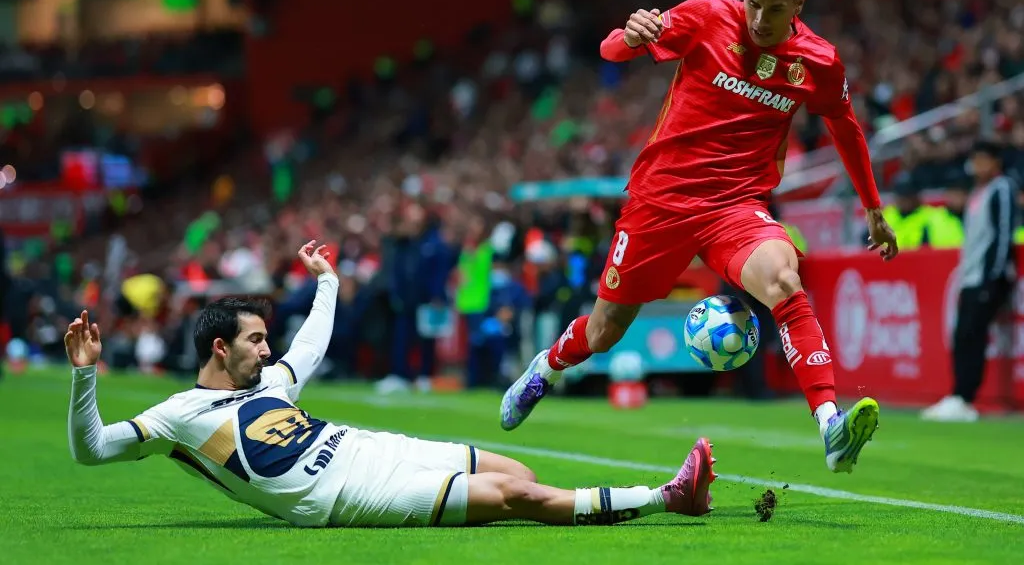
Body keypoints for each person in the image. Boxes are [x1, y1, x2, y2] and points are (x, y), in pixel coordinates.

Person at [501, 0, 899, 475]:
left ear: (798, 3)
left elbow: (845, 128)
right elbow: (610, 51)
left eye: (775, 9)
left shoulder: (818, 61)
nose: (760, 19)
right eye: (754, 4)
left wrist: (872, 207)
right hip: (660, 201)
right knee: (603, 332)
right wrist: (630, 35)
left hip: (735, 205)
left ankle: (830, 424)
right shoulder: (708, 15)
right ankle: (544, 370)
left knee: (784, 279)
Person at [66, 240, 716, 528]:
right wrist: (85, 373)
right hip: (350, 493)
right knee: (515, 494)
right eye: (256, 340)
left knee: (519, 471)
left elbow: (311, 344)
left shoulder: (267, 384)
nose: (268, 349)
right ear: (219, 348)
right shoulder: (180, 414)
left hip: (370, 447)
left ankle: (523, 506)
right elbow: (91, 448)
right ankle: (666, 497)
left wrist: (328, 281)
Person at [922, 141, 1018, 422]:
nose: (977, 166)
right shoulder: (977, 192)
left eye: (982, 160)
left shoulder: (1001, 188)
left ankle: (965, 398)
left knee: (973, 335)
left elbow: (1002, 233)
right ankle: (958, 395)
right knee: (962, 335)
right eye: (975, 160)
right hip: (971, 276)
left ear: (995, 162)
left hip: (988, 278)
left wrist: (993, 276)